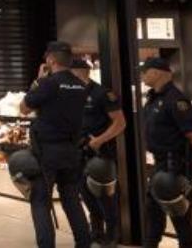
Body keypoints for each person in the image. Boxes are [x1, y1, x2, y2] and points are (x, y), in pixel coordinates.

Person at [19, 41, 92, 248]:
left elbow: (24, 108)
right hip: (71, 151)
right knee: (71, 199)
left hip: (47, 152)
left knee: (41, 201)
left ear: (50, 60)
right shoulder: (80, 85)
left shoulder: (47, 83)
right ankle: (84, 242)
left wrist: (38, 81)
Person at [140, 57, 192, 248]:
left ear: (157, 72)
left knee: (180, 214)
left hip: (175, 164)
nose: (142, 75)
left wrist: (185, 167)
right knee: (153, 211)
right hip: (159, 163)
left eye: (145, 71)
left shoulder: (176, 99)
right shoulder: (152, 98)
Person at [70, 59, 126, 247]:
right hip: (78, 151)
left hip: (100, 153)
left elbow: (120, 123)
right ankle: (96, 232)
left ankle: (112, 234)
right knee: (84, 194)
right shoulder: (71, 94)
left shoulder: (102, 94)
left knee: (105, 195)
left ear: (80, 72)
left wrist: (98, 141)